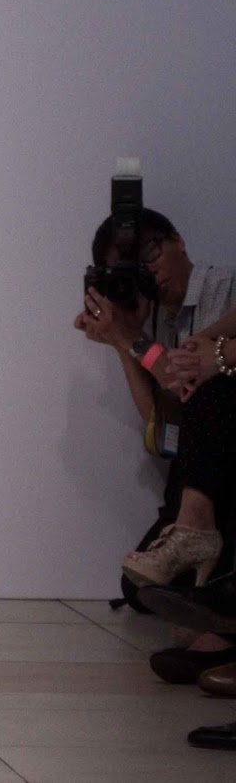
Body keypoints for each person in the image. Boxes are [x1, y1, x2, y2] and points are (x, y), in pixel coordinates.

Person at [75, 208, 236, 682]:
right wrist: (123, 343)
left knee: (212, 393)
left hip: (231, 471)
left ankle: (217, 634)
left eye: (151, 253)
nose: (148, 272)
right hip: (196, 473)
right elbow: (160, 432)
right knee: (138, 587)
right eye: (129, 269)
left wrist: (133, 341)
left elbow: (186, 380)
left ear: (178, 241)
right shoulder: (158, 320)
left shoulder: (227, 288)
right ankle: (204, 589)